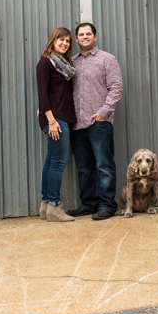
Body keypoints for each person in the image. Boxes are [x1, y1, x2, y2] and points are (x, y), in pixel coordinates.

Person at [67, 23, 123, 221]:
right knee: (84, 168)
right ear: (76, 38)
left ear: (95, 36)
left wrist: (103, 112)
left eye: (88, 34)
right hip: (76, 124)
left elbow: (116, 88)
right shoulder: (71, 62)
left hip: (99, 122)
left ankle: (107, 205)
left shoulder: (107, 59)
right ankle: (89, 204)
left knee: (104, 166)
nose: (85, 37)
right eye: (81, 34)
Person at [36, 27, 77, 222]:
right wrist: (51, 120)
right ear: (53, 41)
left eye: (67, 41)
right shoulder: (45, 63)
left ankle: (45, 206)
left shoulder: (64, 65)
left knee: (51, 161)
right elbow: (42, 94)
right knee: (58, 162)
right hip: (56, 120)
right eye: (61, 40)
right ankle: (54, 205)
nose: (64, 43)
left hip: (60, 117)